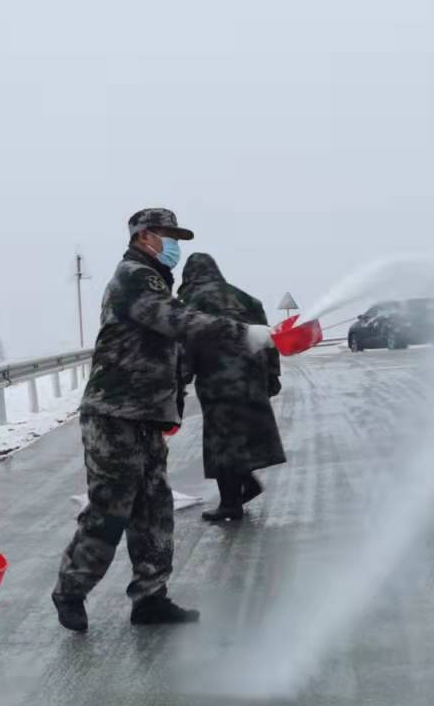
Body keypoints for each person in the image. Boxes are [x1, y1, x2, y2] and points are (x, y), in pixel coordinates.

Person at [52, 209, 270, 633]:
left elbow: (169, 351)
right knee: (111, 507)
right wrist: (242, 332)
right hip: (114, 413)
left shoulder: (154, 278)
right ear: (144, 236)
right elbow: (178, 322)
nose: (174, 245)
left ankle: (150, 598)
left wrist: (172, 403)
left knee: (154, 508)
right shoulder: (135, 276)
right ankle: (70, 590)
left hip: (145, 415)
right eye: (168, 236)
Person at [178, 253, 286, 522]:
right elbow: (267, 337)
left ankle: (230, 503)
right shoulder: (247, 299)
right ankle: (245, 485)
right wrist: (273, 375)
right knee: (244, 436)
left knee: (222, 441)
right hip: (253, 377)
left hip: (218, 381)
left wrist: (181, 377)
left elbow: (187, 341)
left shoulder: (195, 300)